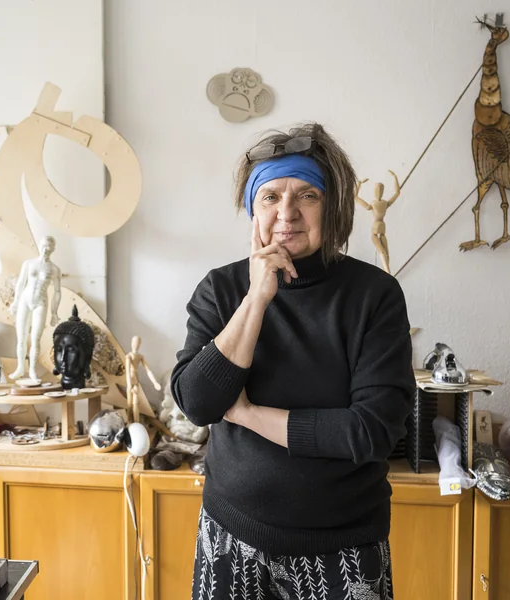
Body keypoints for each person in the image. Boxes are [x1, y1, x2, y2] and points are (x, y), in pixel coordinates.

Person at [171, 122, 414, 600]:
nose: (287, 213)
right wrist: (256, 298)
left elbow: (370, 432)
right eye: (270, 197)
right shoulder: (221, 290)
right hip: (231, 536)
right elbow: (197, 403)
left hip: (344, 547)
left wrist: (247, 414)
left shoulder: (375, 296)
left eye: (307, 195)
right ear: (253, 209)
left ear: (332, 207)